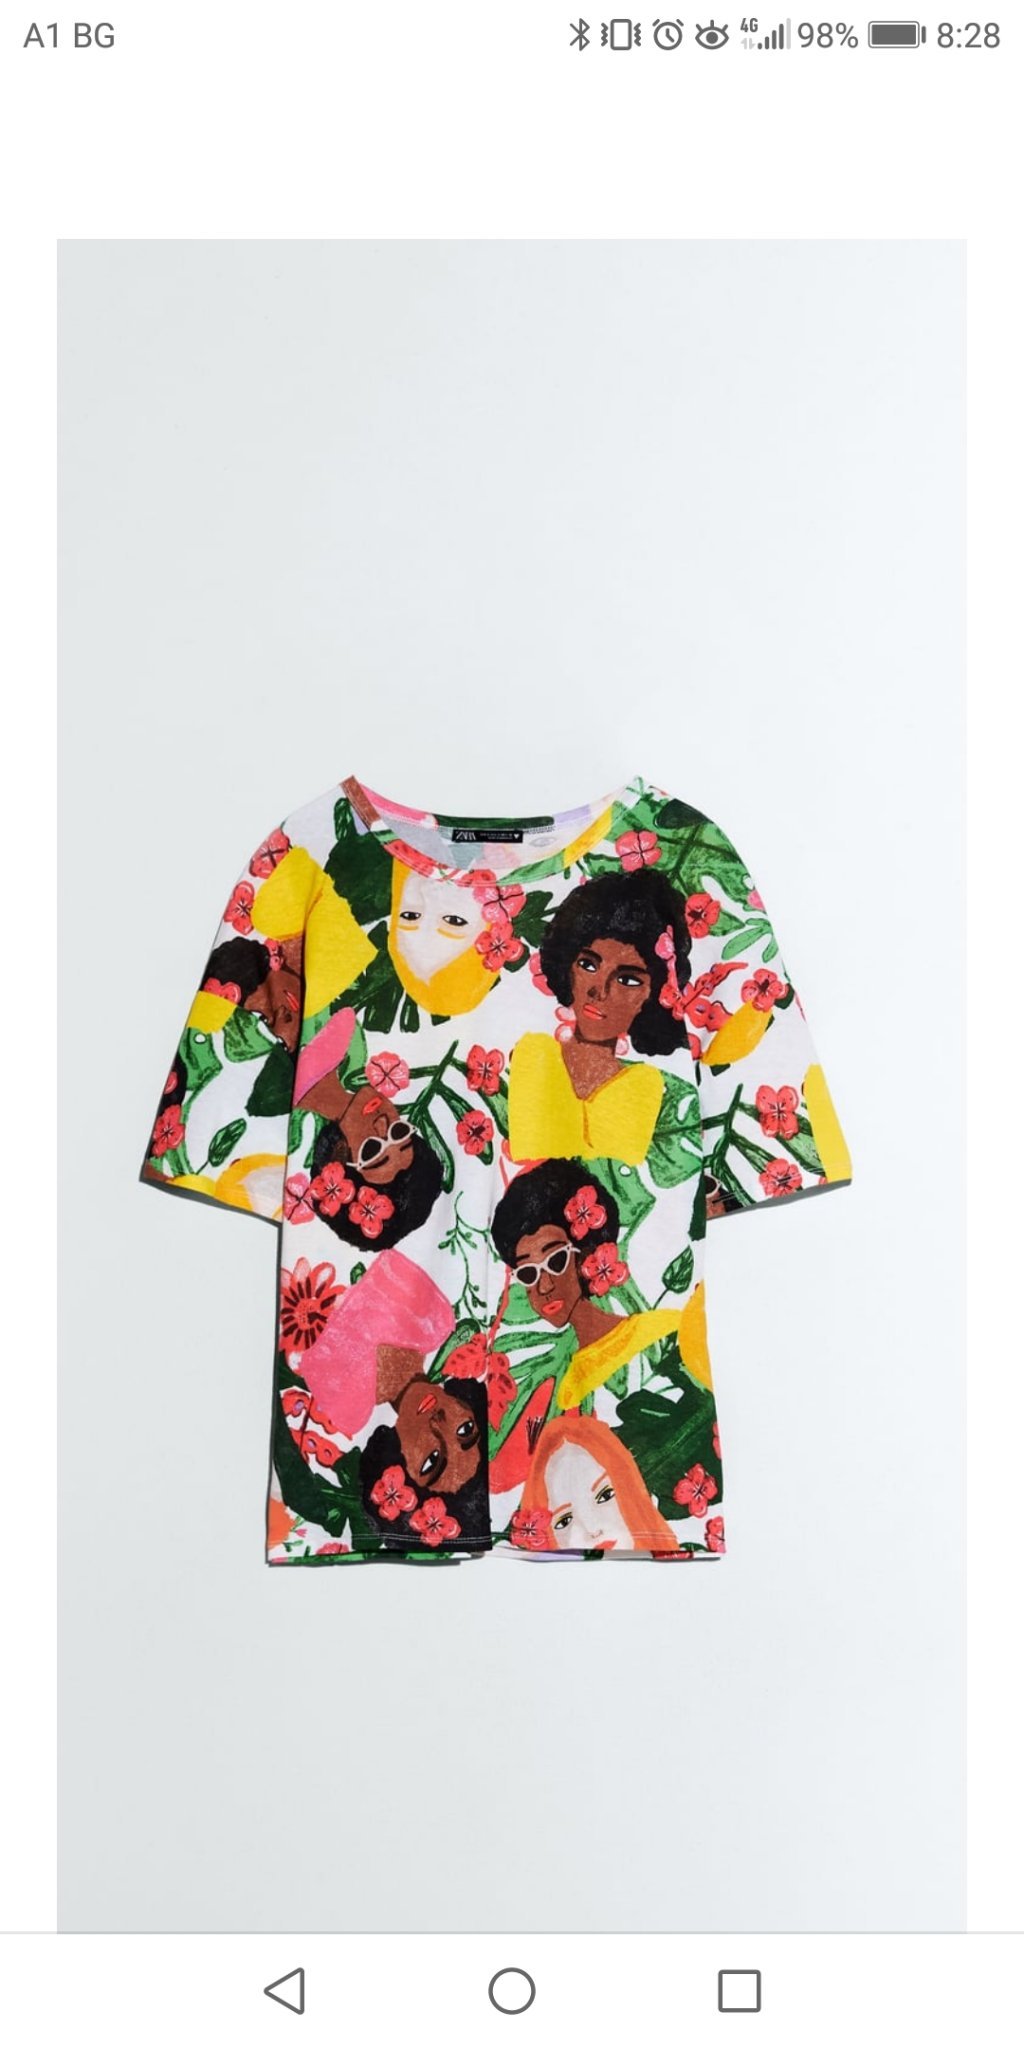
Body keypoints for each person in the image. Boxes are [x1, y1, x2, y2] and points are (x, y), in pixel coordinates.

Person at [507, 867, 693, 1164]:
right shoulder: (535, 1054)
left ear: (653, 996)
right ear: (567, 965)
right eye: (588, 965)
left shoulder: (644, 1085)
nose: (599, 991)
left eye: (627, 980)